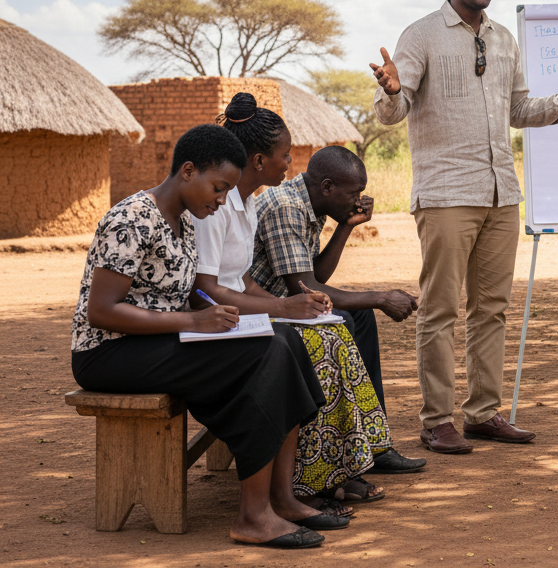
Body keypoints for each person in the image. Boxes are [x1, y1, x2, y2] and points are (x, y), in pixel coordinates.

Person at [371, 0, 558, 454]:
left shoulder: (504, 39)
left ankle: (482, 414)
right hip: (447, 194)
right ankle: (436, 420)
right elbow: (390, 113)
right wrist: (393, 90)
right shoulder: (421, 35)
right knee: (441, 310)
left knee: (491, 310)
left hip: (501, 193)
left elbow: (520, 110)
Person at [70, 125, 332, 549]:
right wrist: (193, 322)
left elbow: (190, 292)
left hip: (158, 342)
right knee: (266, 355)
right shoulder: (131, 218)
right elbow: (101, 312)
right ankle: (253, 517)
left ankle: (281, 498)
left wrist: (222, 313)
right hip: (108, 353)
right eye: (219, 187)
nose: (222, 199)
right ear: (188, 171)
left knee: (284, 341)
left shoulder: (185, 221)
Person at [193, 94, 420, 511]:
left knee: (349, 324)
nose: (289, 163)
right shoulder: (267, 205)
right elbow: (215, 288)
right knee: (333, 336)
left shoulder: (248, 203)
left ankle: (362, 449)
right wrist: (290, 308)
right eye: (284, 155)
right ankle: (318, 476)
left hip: (259, 308)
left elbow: (273, 280)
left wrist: (344, 229)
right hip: (238, 317)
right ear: (258, 160)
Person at [249, 143, 421, 451]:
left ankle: (374, 442)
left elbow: (315, 277)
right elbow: (304, 287)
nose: (359, 201)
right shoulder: (286, 207)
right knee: (340, 322)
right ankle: (341, 446)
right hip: (259, 313)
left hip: (285, 305)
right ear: (327, 187)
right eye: (354, 193)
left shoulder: (310, 205)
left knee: (360, 316)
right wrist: (381, 297)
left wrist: (345, 226)